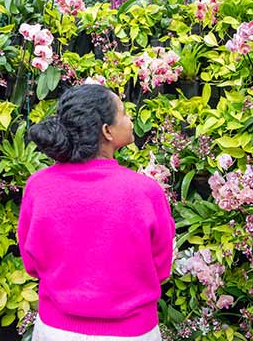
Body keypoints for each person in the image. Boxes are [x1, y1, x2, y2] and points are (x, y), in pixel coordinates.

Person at [18, 84, 176, 341]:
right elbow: (161, 267)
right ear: (107, 131)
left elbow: (32, 262)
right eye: (123, 113)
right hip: (133, 334)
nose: (130, 119)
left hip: (56, 331)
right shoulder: (145, 192)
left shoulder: (38, 186)